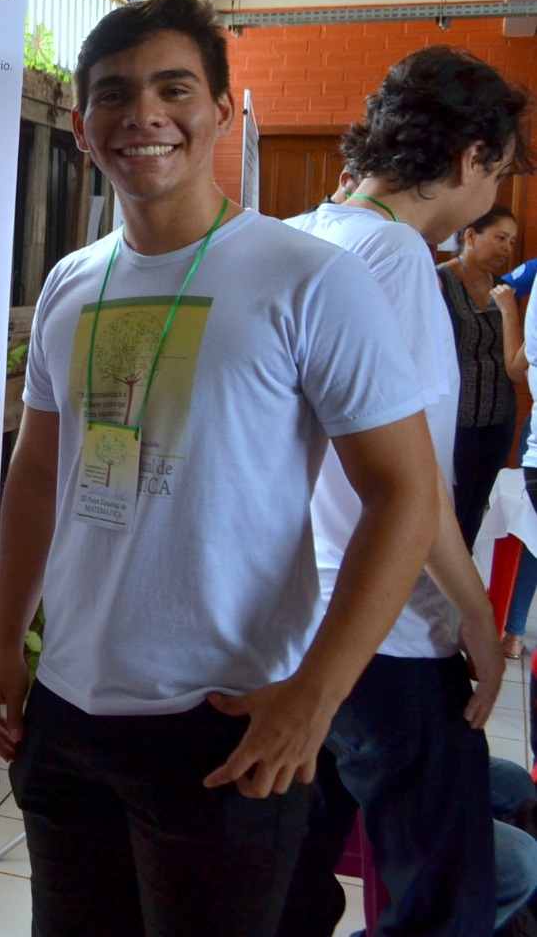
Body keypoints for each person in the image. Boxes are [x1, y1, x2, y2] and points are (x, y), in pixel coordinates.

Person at [0, 0, 439, 936]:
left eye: (173, 88)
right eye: (113, 93)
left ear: (222, 111)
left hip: (224, 717)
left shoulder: (310, 279)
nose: (142, 113)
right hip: (67, 711)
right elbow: (37, 474)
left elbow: (406, 493)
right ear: (82, 126)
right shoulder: (71, 281)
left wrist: (318, 694)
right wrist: (3, 642)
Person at [281, 46, 530, 937]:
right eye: (498, 172)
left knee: (294, 880)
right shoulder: (393, 257)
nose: (492, 193)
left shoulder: (303, 233)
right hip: (387, 631)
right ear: (470, 157)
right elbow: (411, 481)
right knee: (445, 897)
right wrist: (477, 619)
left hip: (297, 625)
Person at [437, 204, 523, 552]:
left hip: (499, 416)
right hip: (455, 418)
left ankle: (466, 569)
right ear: (471, 236)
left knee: (478, 506)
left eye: (512, 241)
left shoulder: (504, 289)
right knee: (449, 506)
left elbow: (515, 357)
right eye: (500, 238)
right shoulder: (440, 281)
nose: (507, 248)